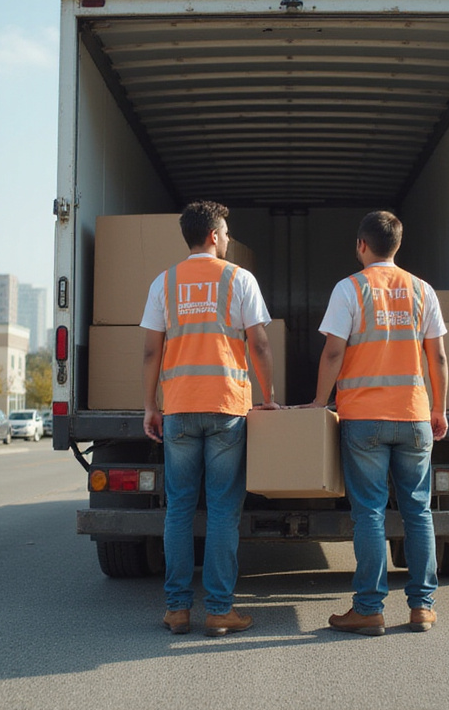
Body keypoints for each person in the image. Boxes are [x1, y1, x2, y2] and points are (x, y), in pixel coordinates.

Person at [141, 200, 280, 637]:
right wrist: (269, 397)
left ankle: (178, 610)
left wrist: (150, 405)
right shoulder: (240, 279)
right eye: (226, 234)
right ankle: (220, 611)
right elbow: (258, 344)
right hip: (226, 409)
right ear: (215, 237)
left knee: (179, 510)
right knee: (222, 511)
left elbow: (151, 350)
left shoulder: (164, 283)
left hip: (179, 407)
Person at [308, 210, 449, 636]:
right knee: (418, 512)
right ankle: (422, 607)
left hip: (364, 419)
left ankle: (369, 609)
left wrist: (319, 402)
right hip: (413, 415)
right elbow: (438, 357)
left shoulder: (349, 289)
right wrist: (439, 409)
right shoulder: (422, 290)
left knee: (369, 514)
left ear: (361, 246)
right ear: (398, 245)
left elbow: (333, 353)